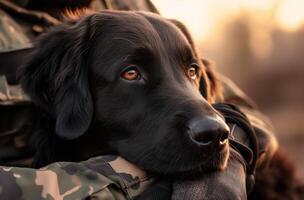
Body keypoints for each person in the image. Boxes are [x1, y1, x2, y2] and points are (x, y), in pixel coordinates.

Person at [0, 0, 279, 199]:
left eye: (190, 71)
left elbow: (242, 112)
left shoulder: (132, 5)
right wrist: (132, 183)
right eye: (132, 73)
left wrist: (232, 159)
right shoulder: (77, 44)